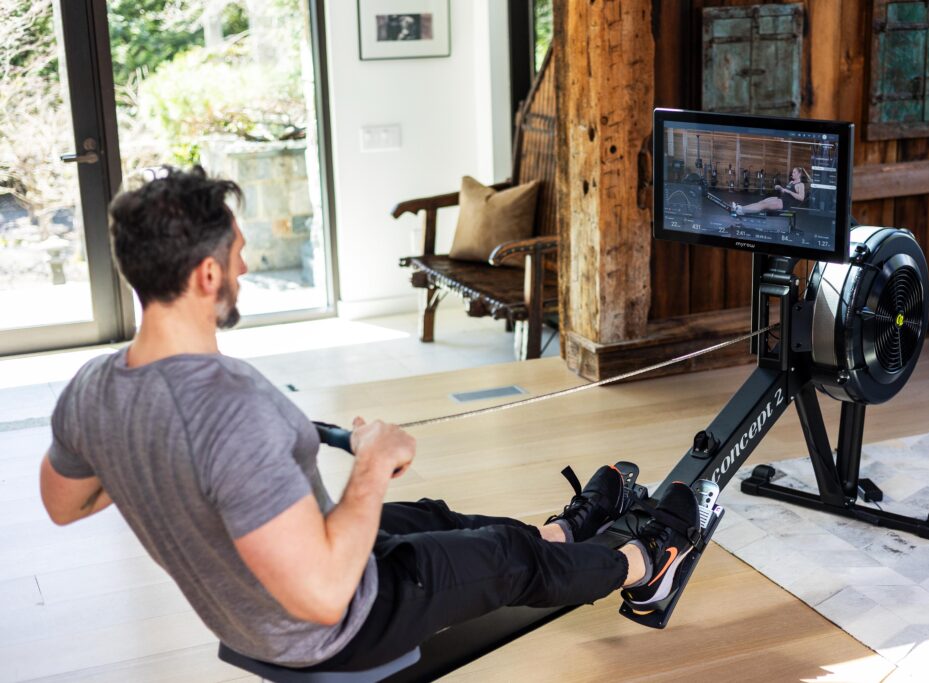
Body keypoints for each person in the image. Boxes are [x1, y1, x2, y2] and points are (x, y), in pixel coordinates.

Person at [38, 166, 705, 672]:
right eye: (238, 250)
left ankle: (564, 533)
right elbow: (328, 596)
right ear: (207, 274)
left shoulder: (94, 389)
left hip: (258, 598)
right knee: (503, 558)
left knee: (438, 518)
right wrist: (373, 465)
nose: (247, 262)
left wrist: (144, 464)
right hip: (329, 631)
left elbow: (63, 502)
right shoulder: (230, 412)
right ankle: (647, 562)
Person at [731, 166, 809, 215]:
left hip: (784, 204)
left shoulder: (800, 185)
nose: (792, 173)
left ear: (799, 174)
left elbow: (801, 198)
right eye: (793, 172)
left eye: (794, 172)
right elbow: (785, 192)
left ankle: (741, 210)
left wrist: (789, 191)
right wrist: (780, 188)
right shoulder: (792, 182)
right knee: (761, 202)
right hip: (780, 199)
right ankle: (740, 208)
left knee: (763, 205)